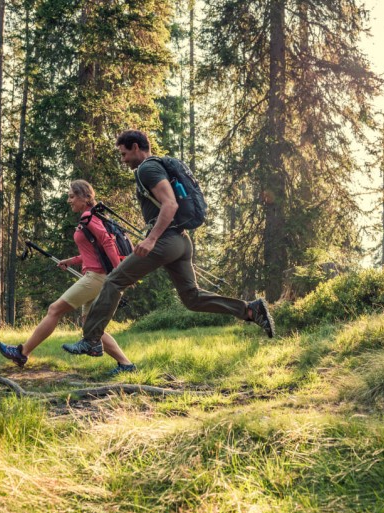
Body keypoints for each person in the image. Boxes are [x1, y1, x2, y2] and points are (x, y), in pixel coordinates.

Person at [62, 129, 274, 358]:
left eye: (124, 154)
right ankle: (250, 310)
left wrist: (151, 239)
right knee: (192, 297)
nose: (123, 160)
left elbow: (170, 204)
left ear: (136, 147)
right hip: (180, 241)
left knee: (113, 281)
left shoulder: (147, 168)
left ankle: (91, 339)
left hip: (166, 240)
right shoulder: (156, 166)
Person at [0, 179, 136, 375]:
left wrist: (119, 274)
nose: (68, 200)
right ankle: (126, 365)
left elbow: (108, 243)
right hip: (96, 275)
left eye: (72, 196)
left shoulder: (89, 217)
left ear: (85, 197)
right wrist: (71, 261)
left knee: (54, 309)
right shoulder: (91, 218)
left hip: (97, 278)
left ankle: (22, 352)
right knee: (91, 326)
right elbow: (95, 252)